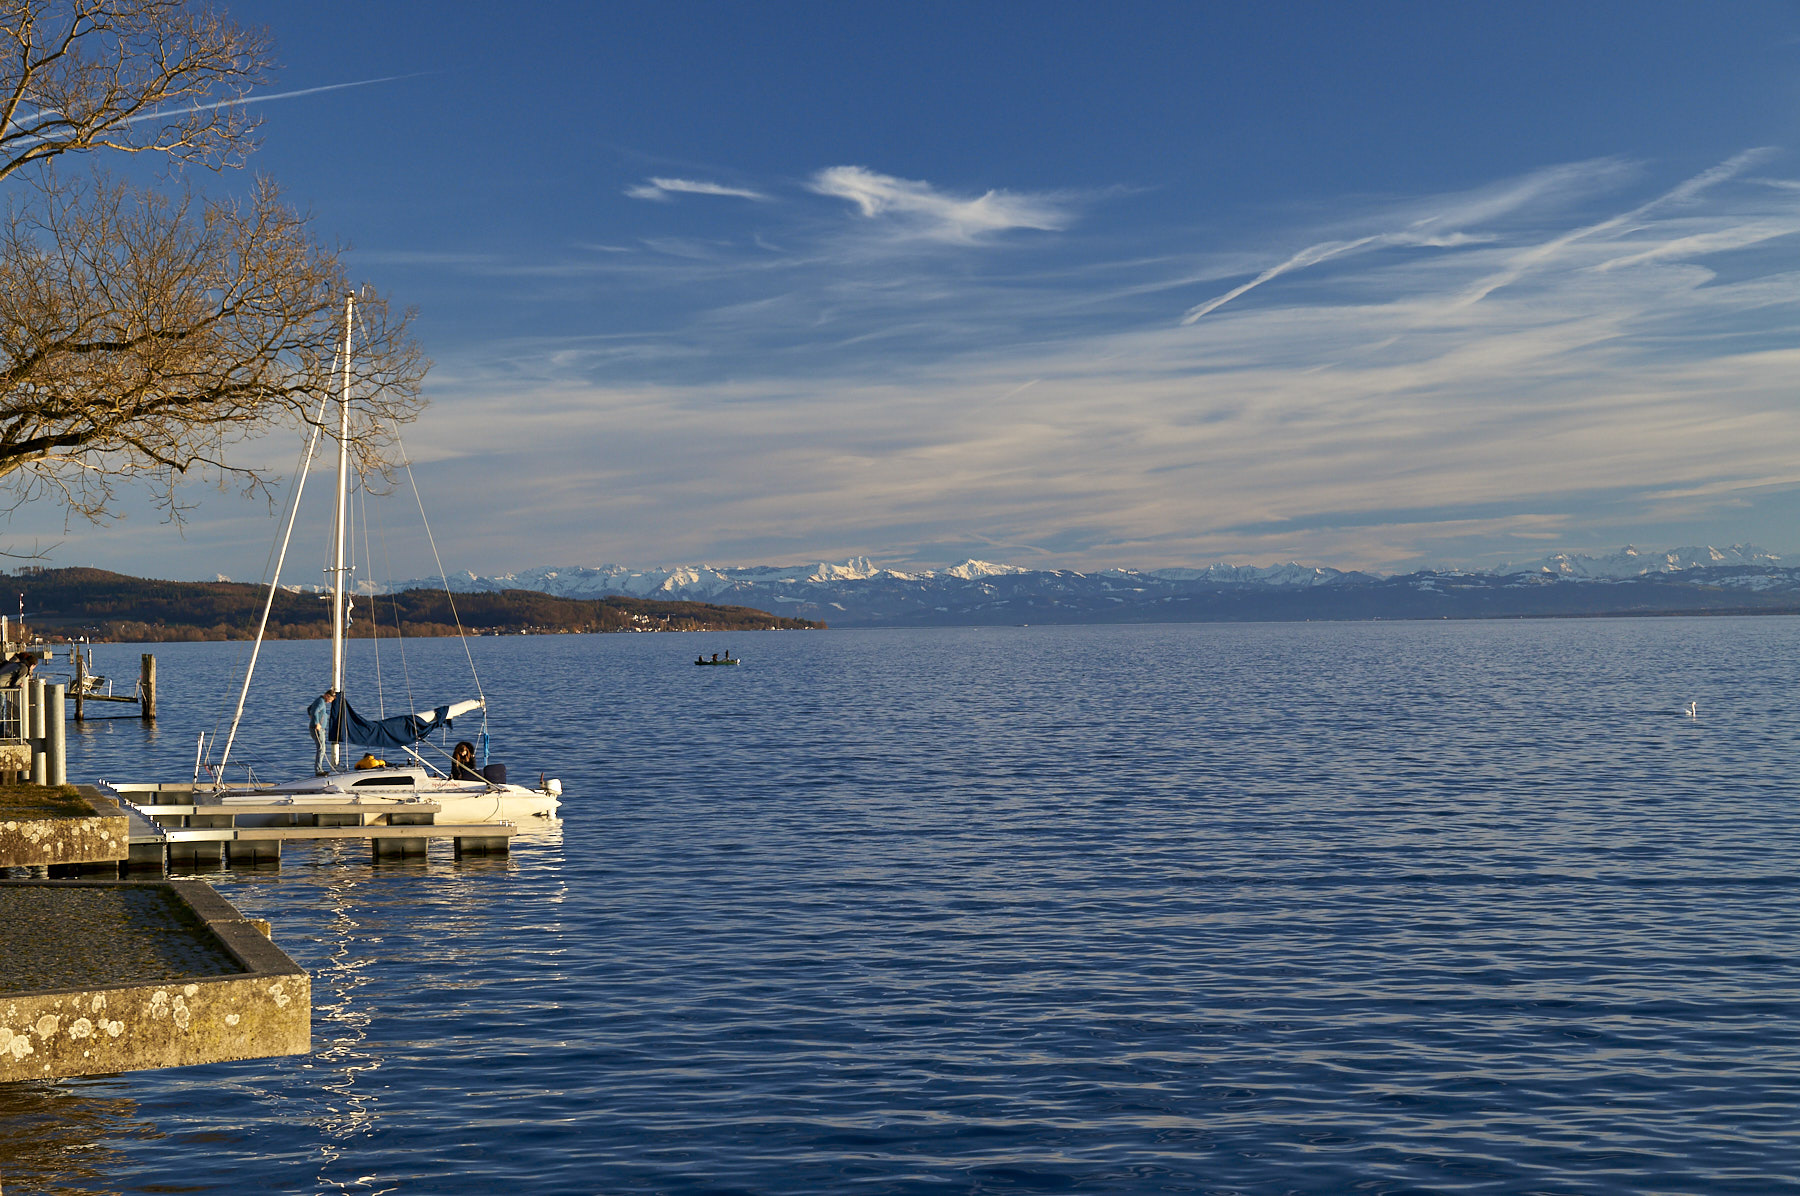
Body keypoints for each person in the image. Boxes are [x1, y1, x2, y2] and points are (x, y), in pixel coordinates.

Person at [308, 688, 337, 776]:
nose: (330, 702)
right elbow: (315, 711)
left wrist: (311, 716)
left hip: (318, 728)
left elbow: (309, 708)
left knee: (321, 749)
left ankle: (319, 769)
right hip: (317, 729)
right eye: (331, 699)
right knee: (321, 749)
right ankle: (318, 770)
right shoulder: (321, 702)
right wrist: (316, 722)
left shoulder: (319, 701)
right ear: (327, 696)